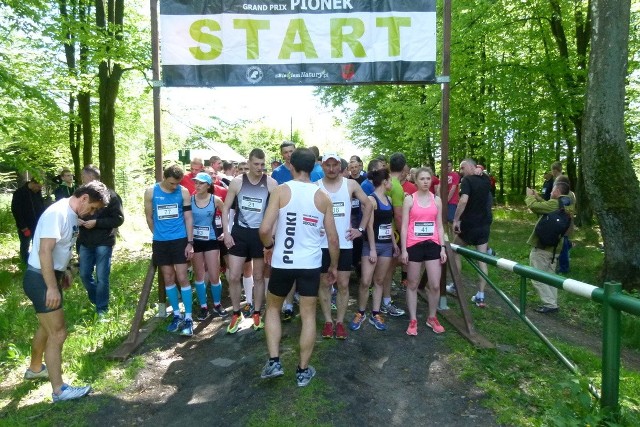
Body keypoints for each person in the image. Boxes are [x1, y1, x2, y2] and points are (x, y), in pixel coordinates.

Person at [22, 181, 109, 402]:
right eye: (92, 208)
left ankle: (35, 369)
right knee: (58, 333)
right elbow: (44, 251)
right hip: (40, 278)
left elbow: (64, 246)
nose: (92, 213)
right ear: (84, 198)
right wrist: (51, 286)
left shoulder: (71, 213)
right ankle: (59, 390)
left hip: (50, 276)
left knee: (46, 326)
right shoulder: (57, 213)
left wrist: (66, 271)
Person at [259, 148, 339, 387]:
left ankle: (274, 361)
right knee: (307, 315)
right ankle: (303, 371)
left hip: (283, 261)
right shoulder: (323, 196)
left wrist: (269, 246)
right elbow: (333, 240)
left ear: (291, 166)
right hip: (310, 264)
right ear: (314, 166)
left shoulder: (281, 191)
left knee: (273, 308)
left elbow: (264, 230)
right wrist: (333, 266)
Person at [222, 148, 278, 334]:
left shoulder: (271, 183)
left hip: (260, 235)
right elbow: (226, 208)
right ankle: (236, 313)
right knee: (234, 275)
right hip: (239, 233)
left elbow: (277, 212)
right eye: (256, 164)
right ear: (249, 162)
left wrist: (272, 236)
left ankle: (256, 312)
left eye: (262, 164)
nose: (259, 168)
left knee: (259, 276)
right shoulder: (237, 182)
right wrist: (226, 232)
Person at [316, 153, 372, 340]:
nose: (331, 169)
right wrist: (315, 229)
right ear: (322, 166)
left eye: (334, 165)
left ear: (340, 166)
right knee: (324, 284)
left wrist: (360, 229)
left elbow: (368, 204)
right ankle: (327, 321)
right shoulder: (316, 186)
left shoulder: (350, 184)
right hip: (322, 245)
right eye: (328, 165)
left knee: (343, 283)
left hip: (345, 243)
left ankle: (339, 322)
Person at [144, 164, 196, 336]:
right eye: (172, 183)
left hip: (180, 239)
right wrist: (158, 234)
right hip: (161, 241)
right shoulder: (151, 192)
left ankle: (188, 317)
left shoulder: (183, 192)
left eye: (177, 183)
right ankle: (176, 314)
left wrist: (190, 242)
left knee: (182, 276)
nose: (175, 186)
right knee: (168, 277)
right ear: (164, 178)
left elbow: (188, 217)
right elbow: (149, 217)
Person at [350, 168, 398, 332]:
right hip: (371, 246)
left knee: (379, 281)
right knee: (365, 281)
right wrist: (371, 249)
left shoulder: (389, 199)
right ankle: (360, 312)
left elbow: (388, 225)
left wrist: (394, 244)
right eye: (390, 180)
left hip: (386, 246)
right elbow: (369, 227)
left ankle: (375, 313)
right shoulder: (371, 199)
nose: (392, 183)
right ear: (384, 182)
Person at [400, 168, 447, 335]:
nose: (426, 182)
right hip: (414, 244)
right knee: (412, 284)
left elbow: (440, 225)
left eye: (428, 178)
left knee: (435, 285)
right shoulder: (409, 200)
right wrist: (404, 250)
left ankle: (432, 317)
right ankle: (413, 320)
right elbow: (404, 226)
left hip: (432, 244)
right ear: (416, 181)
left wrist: (442, 247)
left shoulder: (437, 200)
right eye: (422, 179)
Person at [77, 165, 125, 319]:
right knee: (84, 274)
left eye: (84, 177)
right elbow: (72, 212)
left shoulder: (111, 195)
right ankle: (96, 299)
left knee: (102, 277)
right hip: (85, 241)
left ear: (91, 177)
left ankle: (101, 309)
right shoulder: (80, 196)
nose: (82, 180)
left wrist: (96, 222)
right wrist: (76, 220)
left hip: (104, 241)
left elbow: (118, 219)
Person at [525, 179, 574, 313]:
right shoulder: (567, 204)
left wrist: (529, 196)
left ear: (557, 191)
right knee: (550, 276)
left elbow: (534, 206)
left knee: (536, 276)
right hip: (555, 247)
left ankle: (549, 304)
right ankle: (553, 302)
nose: (551, 192)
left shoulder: (554, 204)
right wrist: (538, 197)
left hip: (543, 248)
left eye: (552, 190)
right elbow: (546, 205)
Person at [452, 158, 492, 307]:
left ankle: (456, 286)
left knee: (454, 250)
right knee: (481, 259)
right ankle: (480, 295)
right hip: (484, 225)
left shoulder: (467, 180)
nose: (461, 171)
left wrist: (456, 220)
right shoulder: (486, 179)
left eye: (462, 168)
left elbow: (463, 201)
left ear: (470, 167)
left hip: (470, 225)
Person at [190, 172, 227, 320]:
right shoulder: (190, 200)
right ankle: (203, 307)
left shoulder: (215, 200)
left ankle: (217, 304)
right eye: (196, 183)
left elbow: (226, 214)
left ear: (208, 185)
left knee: (214, 274)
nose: (197, 186)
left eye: (200, 183)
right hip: (195, 240)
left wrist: (225, 231)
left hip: (211, 239)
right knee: (199, 275)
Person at [11, 177, 45, 264]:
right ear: (33, 183)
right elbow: (16, 211)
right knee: (25, 244)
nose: (39, 189)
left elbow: (41, 206)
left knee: (37, 244)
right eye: (38, 187)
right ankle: (25, 262)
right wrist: (23, 226)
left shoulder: (37, 193)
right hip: (25, 225)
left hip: (37, 224)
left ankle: (36, 261)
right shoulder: (20, 193)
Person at [446, 159, 461, 231]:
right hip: (444, 201)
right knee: (446, 221)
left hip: (452, 201)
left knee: (452, 220)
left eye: (448, 166)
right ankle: (449, 238)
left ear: (451, 167)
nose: (447, 168)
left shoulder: (455, 175)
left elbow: (453, 189)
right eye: (446, 166)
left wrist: (447, 200)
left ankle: (455, 238)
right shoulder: (443, 176)